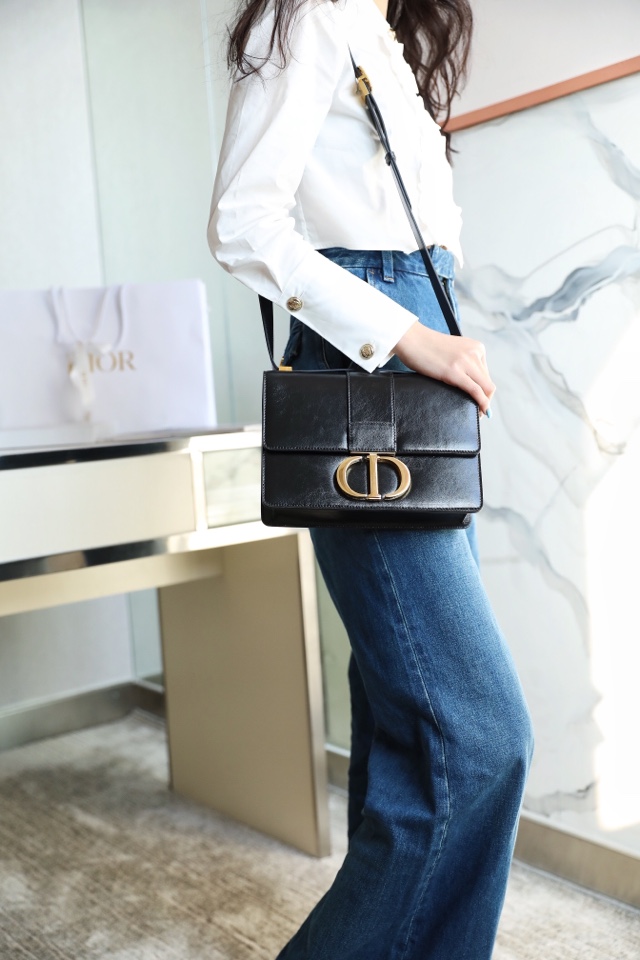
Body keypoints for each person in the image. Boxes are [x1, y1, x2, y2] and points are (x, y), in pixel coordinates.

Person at [208, 0, 534, 957]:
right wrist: (407, 336)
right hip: (377, 364)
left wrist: (428, 335)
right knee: (481, 737)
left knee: (411, 743)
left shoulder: (380, 31)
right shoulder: (315, 14)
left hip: (418, 368)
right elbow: (242, 223)